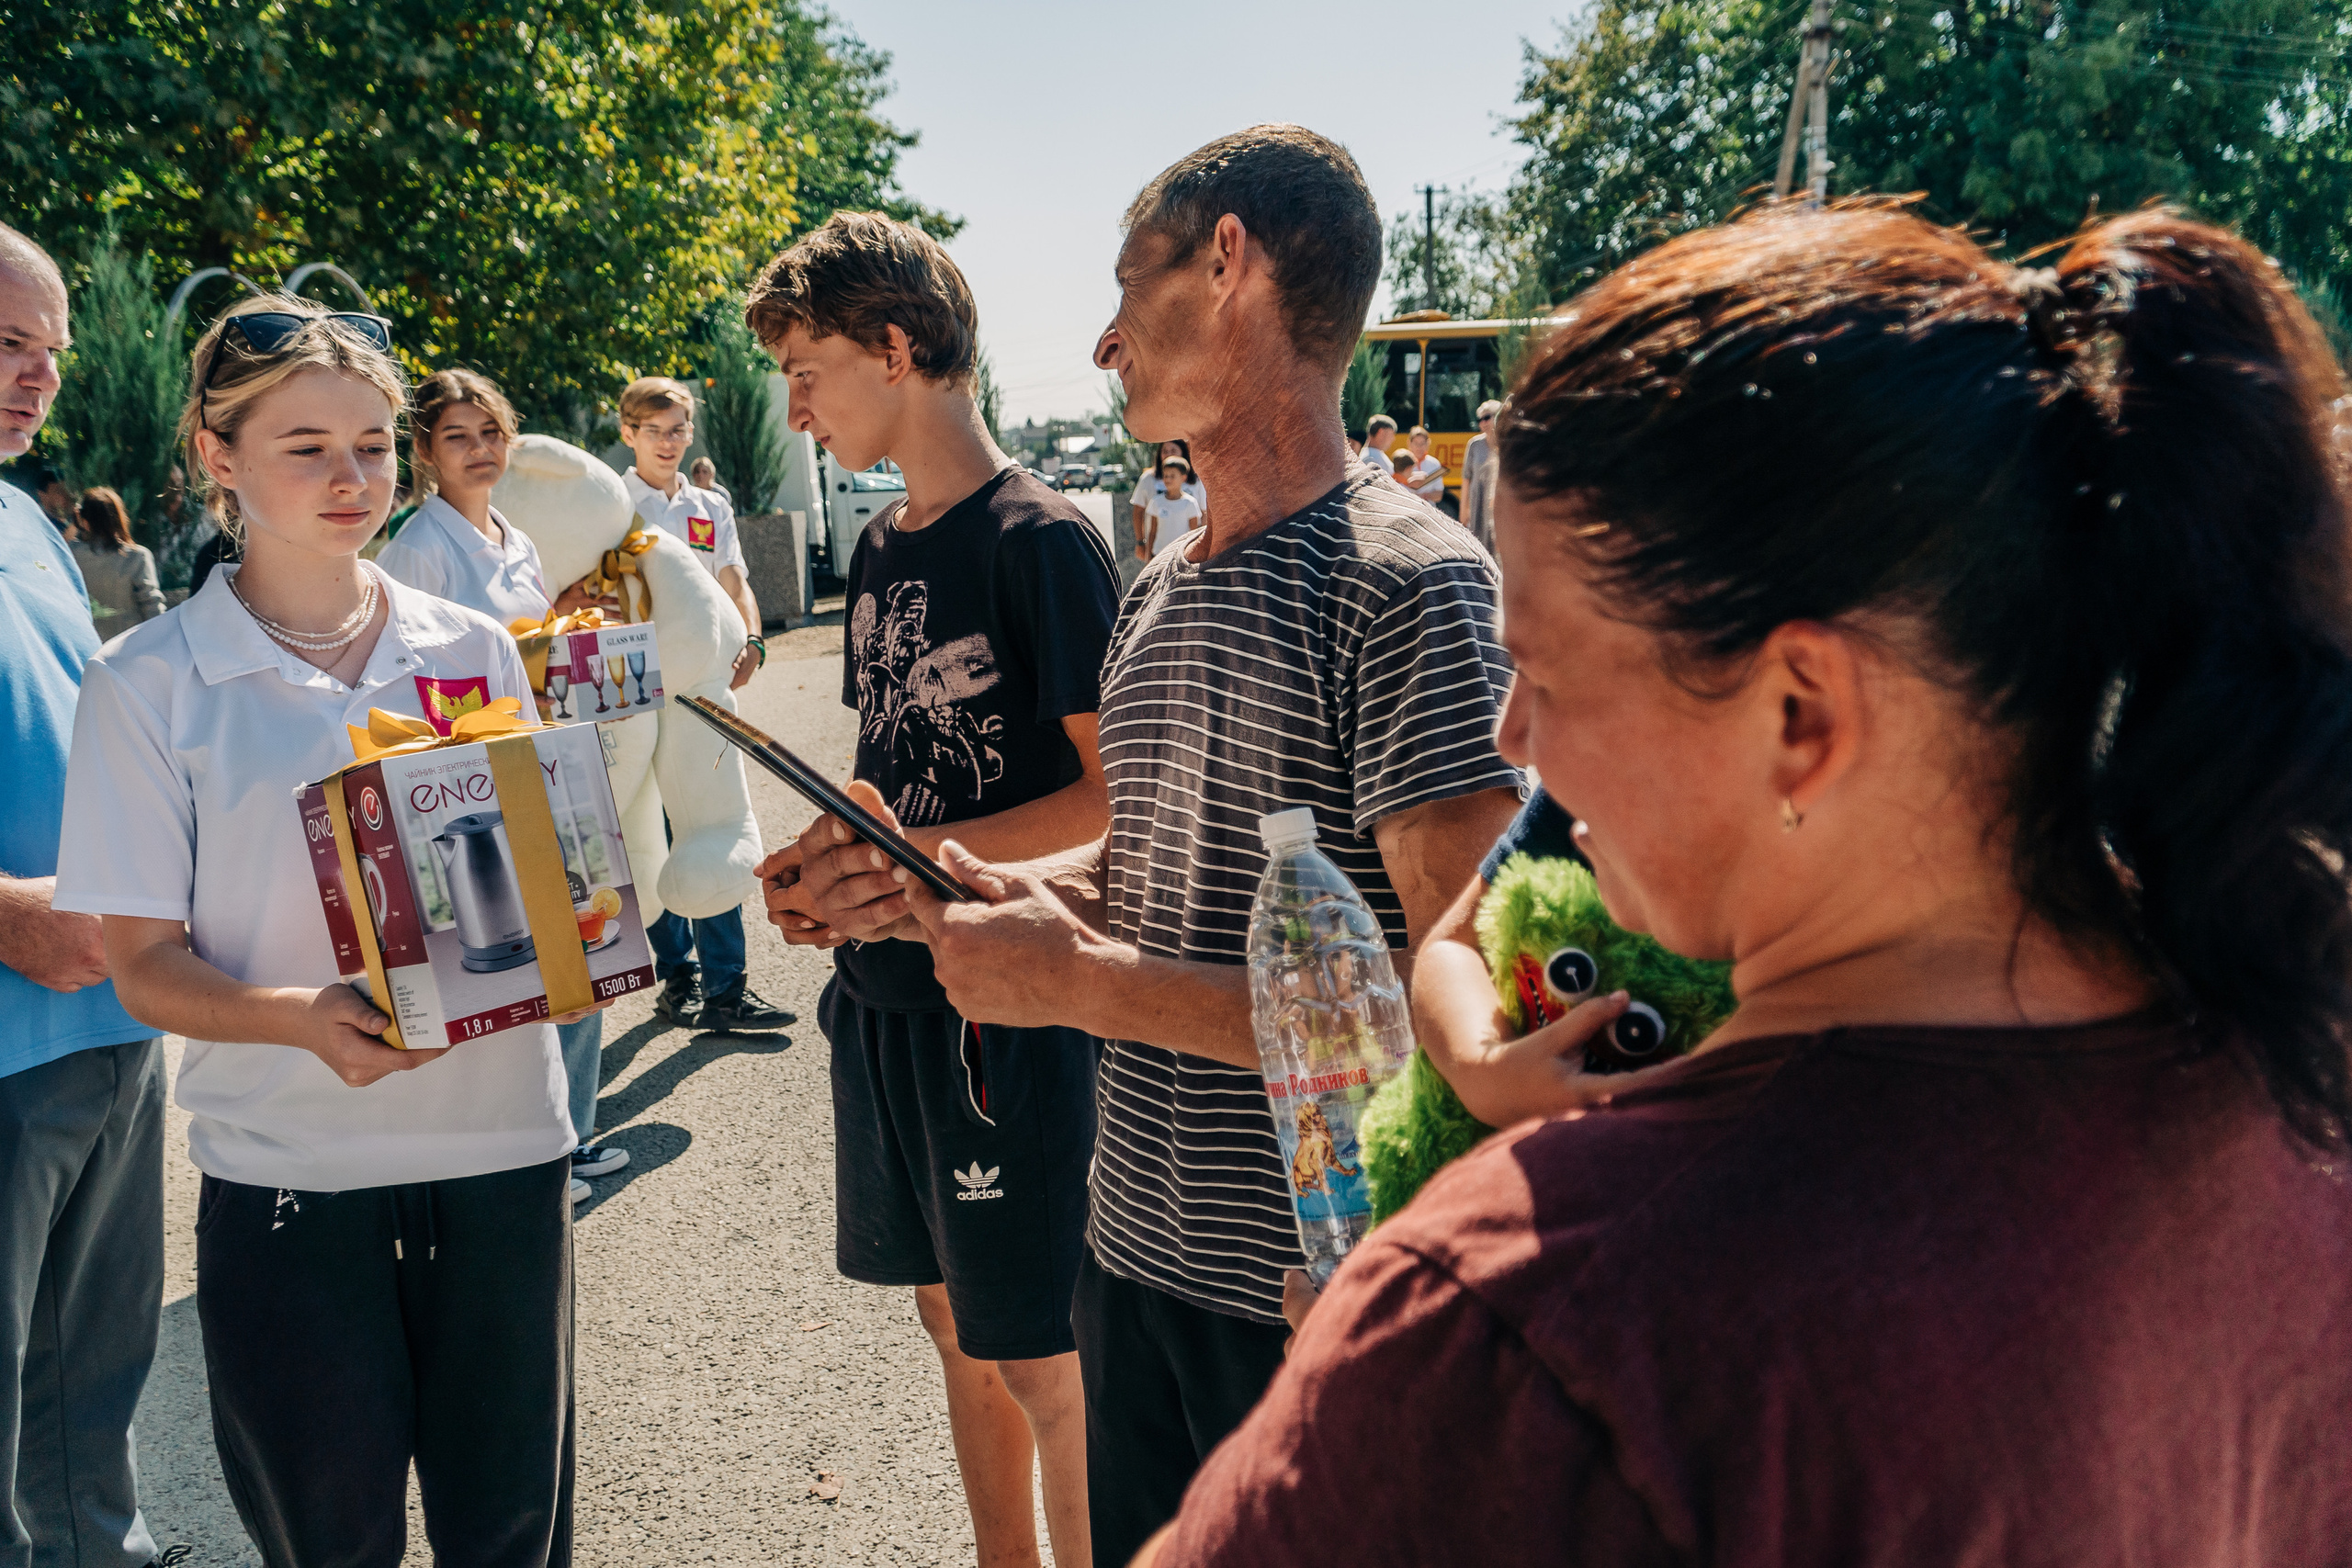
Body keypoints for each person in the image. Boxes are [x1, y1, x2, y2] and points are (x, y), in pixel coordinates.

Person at [1144, 205, 2352, 1565]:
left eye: (1546, 672)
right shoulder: (2294, 1122)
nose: (1512, 736)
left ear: (1798, 714)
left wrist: (1374, 1411)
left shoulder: (1539, 1313)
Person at [899, 126, 1523, 1566]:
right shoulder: (1159, 586)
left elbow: (1463, 1013)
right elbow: (1158, 863)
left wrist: (1079, 985)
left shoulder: (1413, 585)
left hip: (1312, 1301)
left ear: (1228, 262)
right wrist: (963, 889)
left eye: (1131, 287)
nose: (1104, 339)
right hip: (1130, 1263)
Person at [52, 294, 596, 1568]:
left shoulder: (473, 646)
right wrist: (299, 1019)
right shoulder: (146, 682)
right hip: (289, 1175)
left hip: (506, 1151)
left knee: (512, 1540)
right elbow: (142, 967)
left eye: (373, 443)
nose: (353, 478)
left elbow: (526, 887)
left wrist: (574, 932)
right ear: (216, 454)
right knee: (328, 1546)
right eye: (306, 447)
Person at [746, 208, 1121, 1568]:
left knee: (1044, 1351)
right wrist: (829, 867)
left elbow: (1111, 798)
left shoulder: (1042, 540)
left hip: (1009, 1013)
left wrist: (928, 870)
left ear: (895, 348)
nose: (796, 409)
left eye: (808, 373)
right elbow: (890, 770)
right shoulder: (880, 547)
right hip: (888, 1000)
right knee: (952, 1322)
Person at [0, 223, 167, 1568]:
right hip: (10, 1038)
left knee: (93, 1390)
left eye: (49, 352)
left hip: (113, 1020)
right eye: (9, 344)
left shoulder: (26, 518)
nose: (38, 379)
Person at [374, 367, 627, 1202]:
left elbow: (523, 648)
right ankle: (526, 1158)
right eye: (457, 436)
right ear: (424, 450)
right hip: (470, 785)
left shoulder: (516, 537)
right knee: (512, 967)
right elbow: (407, 672)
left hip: (538, 762)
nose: (479, 450)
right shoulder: (418, 546)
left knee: (576, 948)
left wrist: (569, 638)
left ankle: (572, 1136)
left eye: (490, 433)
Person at [616, 377, 792, 1033]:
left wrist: (753, 637)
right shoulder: (614, 507)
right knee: (650, 836)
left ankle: (727, 989)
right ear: (628, 433)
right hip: (633, 691)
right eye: (654, 430)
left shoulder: (709, 506)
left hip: (703, 693)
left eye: (678, 430)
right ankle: (678, 976)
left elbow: (734, 581)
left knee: (712, 827)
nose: (668, 442)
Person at [69, 487, 165, 626]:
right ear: (119, 518)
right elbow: (152, 606)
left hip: (88, 639)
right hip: (131, 639)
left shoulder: (71, 554)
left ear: (85, 522)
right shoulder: (137, 557)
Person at [1126, 438, 1205, 545]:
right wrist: (1140, 542)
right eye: (1165, 451)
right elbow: (1138, 512)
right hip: (1159, 545)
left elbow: (1204, 513)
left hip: (1185, 545)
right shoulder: (1148, 478)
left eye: (1173, 451)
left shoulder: (1196, 480)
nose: (1169, 455)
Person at [1136, 455, 1201, 559]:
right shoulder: (1156, 502)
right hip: (1159, 555)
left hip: (1181, 556)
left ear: (1183, 478)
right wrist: (1149, 556)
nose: (1168, 479)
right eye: (1166, 476)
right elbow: (1152, 531)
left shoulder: (1190, 503)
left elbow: (1194, 533)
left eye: (1172, 476)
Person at [1459, 398, 1500, 549]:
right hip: (1478, 498)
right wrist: (1463, 510)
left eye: (1487, 417)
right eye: (1480, 419)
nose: (1483, 422)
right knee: (1478, 542)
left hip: (1497, 500)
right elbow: (1466, 477)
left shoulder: (1505, 443)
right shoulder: (1474, 444)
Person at [1400, 424, 1445, 504]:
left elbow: (1439, 494)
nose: (1419, 447)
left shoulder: (1434, 463)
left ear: (1428, 444)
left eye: (1422, 443)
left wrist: (1426, 496)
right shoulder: (1402, 462)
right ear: (1409, 443)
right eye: (1416, 443)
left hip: (1428, 508)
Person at [1358, 412, 1396, 476]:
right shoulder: (1371, 458)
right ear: (1380, 432)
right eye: (1391, 434)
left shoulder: (1374, 454)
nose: (1393, 439)